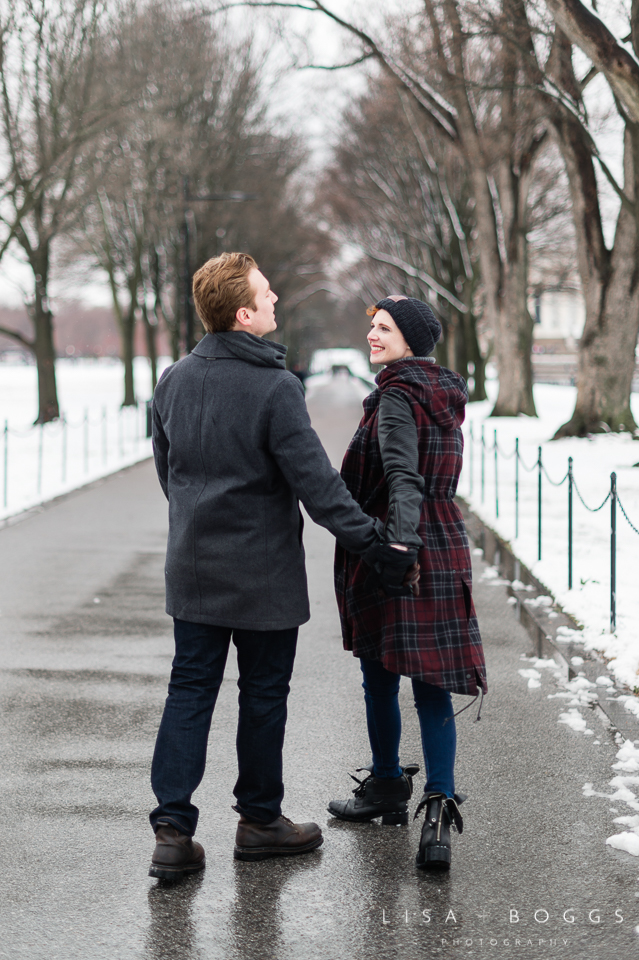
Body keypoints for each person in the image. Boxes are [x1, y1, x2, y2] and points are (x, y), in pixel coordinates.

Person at [148, 253, 414, 879]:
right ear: (243, 313)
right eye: (265, 294)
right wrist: (378, 545)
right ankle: (261, 821)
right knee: (263, 695)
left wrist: (198, 523)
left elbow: (170, 473)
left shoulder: (173, 380)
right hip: (263, 576)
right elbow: (318, 487)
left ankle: (171, 832)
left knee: (189, 690)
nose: (274, 301)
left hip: (192, 569)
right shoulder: (274, 387)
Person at [329, 295, 487, 870]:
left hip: (405, 545)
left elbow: (401, 474)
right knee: (431, 684)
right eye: (371, 326)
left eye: (385, 328)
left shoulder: (397, 396)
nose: (373, 335)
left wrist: (398, 547)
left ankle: (390, 784)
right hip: (444, 540)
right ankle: (437, 810)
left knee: (380, 675)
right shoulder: (443, 393)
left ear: (410, 339)